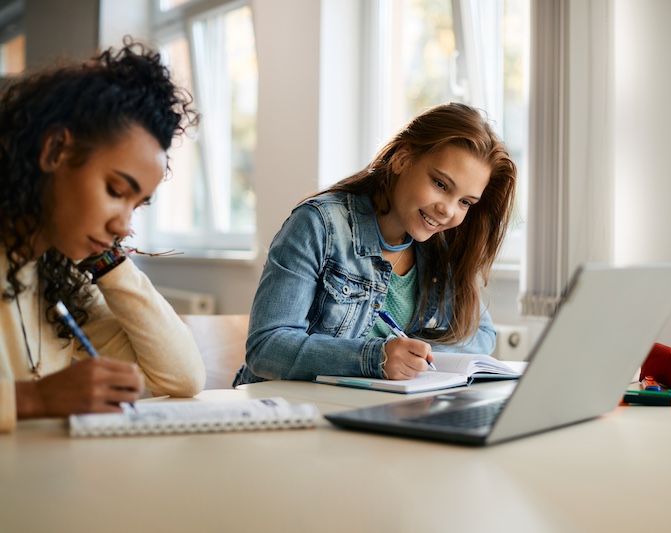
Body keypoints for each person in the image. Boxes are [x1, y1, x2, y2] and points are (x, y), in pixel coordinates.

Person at [0, 39, 206, 432]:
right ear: (55, 150)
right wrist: (35, 399)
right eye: (115, 191)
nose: (124, 225)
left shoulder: (60, 274)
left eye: (137, 204)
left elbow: (182, 377)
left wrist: (108, 260)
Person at [233, 102, 516, 385]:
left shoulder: (443, 245)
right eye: (441, 185)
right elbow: (266, 348)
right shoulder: (318, 224)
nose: (448, 211)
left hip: (375, 410)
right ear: (402, 159)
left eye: (465, 202)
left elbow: (482, 335)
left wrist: (418, 360)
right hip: (286, 411)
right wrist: (375, 358)